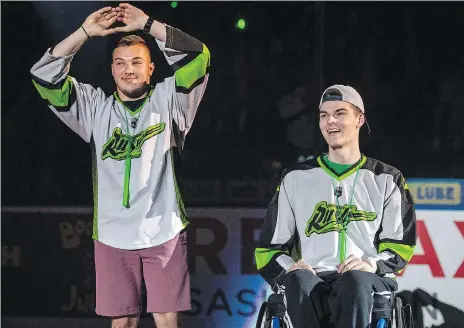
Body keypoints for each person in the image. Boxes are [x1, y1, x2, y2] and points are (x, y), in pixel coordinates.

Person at [30, 3, 210, 328]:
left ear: (152, 69)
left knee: (168, 324)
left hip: (163, 230)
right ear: (111, 69)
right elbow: (43, 76)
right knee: (121, 324)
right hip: (112, 235)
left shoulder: (171, 100)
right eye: (121, 63)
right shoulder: (94, 108)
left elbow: (198, 57)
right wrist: (85, 32)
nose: (129, 69)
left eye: (137, 62)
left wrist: (148, 24)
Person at [255, 85, 416, 328]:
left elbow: (401, 246)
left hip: (366, 281)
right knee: (298, 282)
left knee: (354, 282)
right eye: (323, 115)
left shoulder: (387, 178)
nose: (330, 121)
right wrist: (291, 267)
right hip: (313, 278)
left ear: (360, 119)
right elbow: (268, 250)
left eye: (340, 113)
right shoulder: (295, 178)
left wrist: (371, 264)